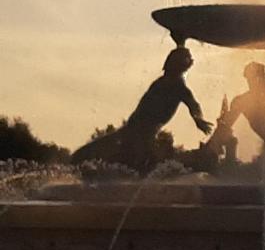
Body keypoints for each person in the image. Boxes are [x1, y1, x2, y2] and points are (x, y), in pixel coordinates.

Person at [72, 47, 213, 171]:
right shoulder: (175, 85)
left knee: (128, 158)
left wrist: (198, 119)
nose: (192, 61)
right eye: (188, 58)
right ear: (178, 64)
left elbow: (193, 105)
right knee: (141, 163)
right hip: (141, 129)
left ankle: (80, 162)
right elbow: (193, 104)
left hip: (139, 128)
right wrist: (198, 119)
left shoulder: (168, 82)